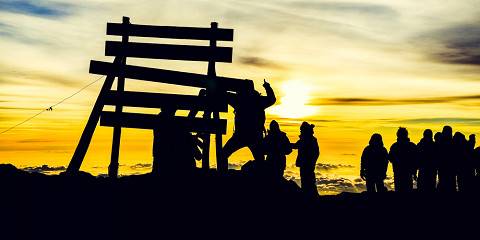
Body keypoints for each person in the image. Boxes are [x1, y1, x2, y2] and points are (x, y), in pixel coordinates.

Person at [222, 79, 276, 162]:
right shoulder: (258, 101)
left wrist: (228, 86)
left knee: (223, 154)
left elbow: (225, 95)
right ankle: (261, 174)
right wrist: (267, 87)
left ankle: (222, 174)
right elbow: (272, 99)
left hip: (240, 135)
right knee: (260, 160)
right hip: (255, 136)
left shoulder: (238, 100)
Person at [152, 107, 201, 176]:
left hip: (162, 164)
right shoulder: (176, 126)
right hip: (178, 166)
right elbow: (198, 156)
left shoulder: (159, 122)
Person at [292, 122, 319, 197]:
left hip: (306, 164)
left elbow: (295, 146)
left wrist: (311, 162)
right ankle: (310, 195)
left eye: (301, 130)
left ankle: (309, 196)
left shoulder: (307, 139)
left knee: (307, 180)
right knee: (307, 180)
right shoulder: (309, 139)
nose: (300, 131)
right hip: (307, 164)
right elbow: (295, 146)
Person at [389, 127, 418, 192]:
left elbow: (390, 158)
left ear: (398, 135)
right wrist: (414, 171)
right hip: (408, 172)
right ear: (406, 135)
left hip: (398, 172)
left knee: (399, 189)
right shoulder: (412, 146)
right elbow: (416, 160)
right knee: (408, 189)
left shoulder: (394, 146)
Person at [437, 126, 456, 192]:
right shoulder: (453, 143)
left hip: (443, 167)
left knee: (443, 183)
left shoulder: (439, 142)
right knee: (450, 184)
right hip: (449, 167)